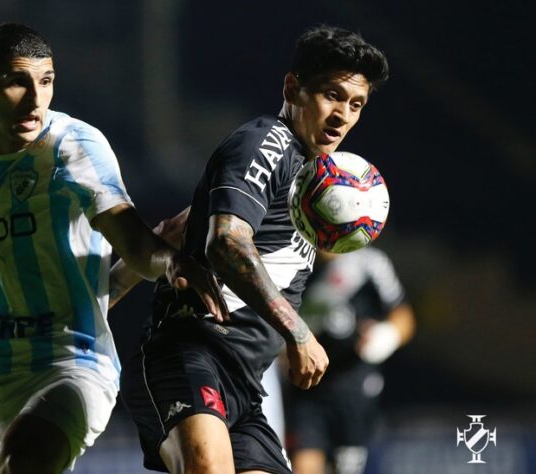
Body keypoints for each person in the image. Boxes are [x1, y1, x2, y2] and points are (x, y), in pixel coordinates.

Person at [0, 23, 226, 474]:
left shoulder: (74, 146)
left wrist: (172, 261)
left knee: (28, 455)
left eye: (45, 81)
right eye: (17, 82)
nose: (35, 99)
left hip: (73, 362)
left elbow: (134, 241)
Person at [116, 25, 390, 474]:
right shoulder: (266, 142)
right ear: (292, 87)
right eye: (331, 95)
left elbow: (173, 229)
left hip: (244, 383)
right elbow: (226, 241)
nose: (342, 115)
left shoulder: (313, 178)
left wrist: (100, 298)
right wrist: (299, 332)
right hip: (190, 355)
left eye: (355, 104)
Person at [285, 248, 415, 474]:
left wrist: (383, 337)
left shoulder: (369, 263)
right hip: (308, 389)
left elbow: (404, 317)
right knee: (303, 465)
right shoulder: (294, 261)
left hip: (355, 391)